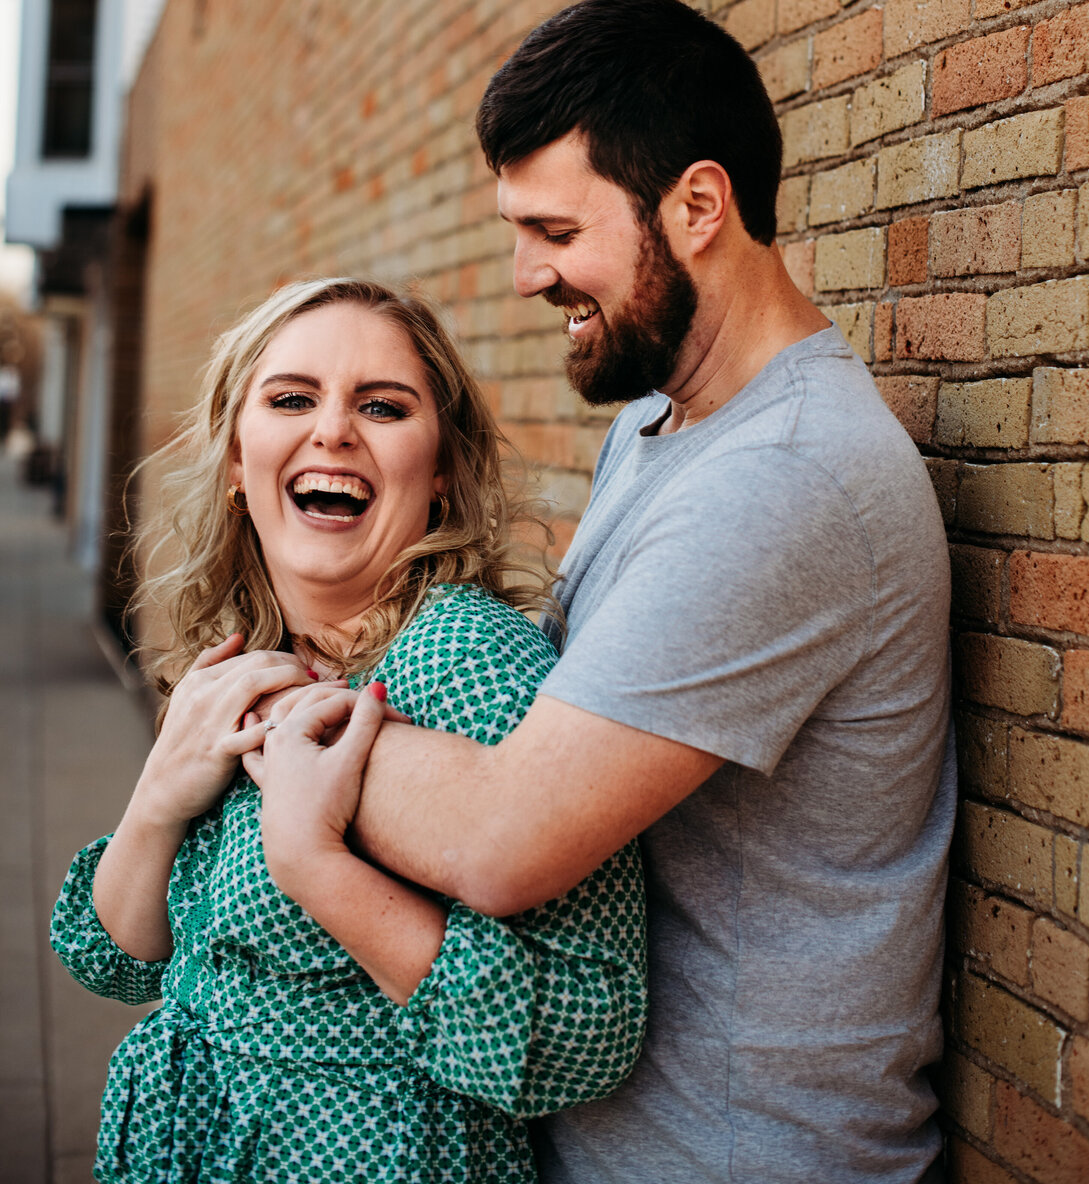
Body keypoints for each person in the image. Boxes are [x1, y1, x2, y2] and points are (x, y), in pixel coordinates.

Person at [331, 0, 954, 1183]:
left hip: (738, 1154)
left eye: (557, 234)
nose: (524, 276)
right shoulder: (667, 424)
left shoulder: (785, 481)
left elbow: (501, 835)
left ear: (699, 206)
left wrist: (287, 710)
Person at [50, 277, 646, 1184]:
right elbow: (116, 962)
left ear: (441, 468)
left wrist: (315, 867)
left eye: (383, 405)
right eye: (291, 399)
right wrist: (159, 797)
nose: (332, 430)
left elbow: (583, 1031)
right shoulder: (243, 657)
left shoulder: (466, 660)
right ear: (238, 467)